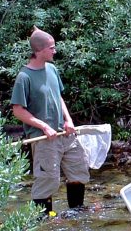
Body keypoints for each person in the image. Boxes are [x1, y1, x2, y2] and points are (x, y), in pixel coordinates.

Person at [10, 27, 89, 215]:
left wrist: (68, 120)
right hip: (43, 138)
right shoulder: (24, 77)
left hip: (65, 134)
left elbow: (58, 97)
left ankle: (76, 216)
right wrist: (44, 126)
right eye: (51, 48)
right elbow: (18, 110)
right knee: (48, 181)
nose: (55, 51)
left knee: (79, 171)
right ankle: (44, 223)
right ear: (39, 50)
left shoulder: (52, 69)